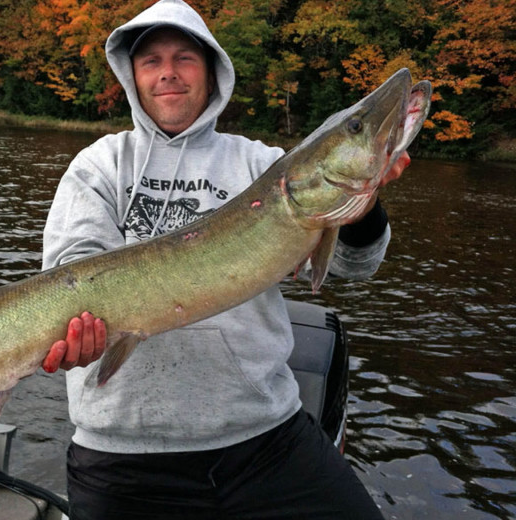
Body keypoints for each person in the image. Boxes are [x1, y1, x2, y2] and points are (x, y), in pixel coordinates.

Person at [40, 0, 408, 518]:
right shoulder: (98, 166)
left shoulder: (264, 165)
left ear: (212, 72)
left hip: (264, 438)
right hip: (122, 451)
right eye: (152, 61)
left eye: (185, 58)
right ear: (132, 76)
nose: (168, 73)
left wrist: (363, 210)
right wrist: (78, 331)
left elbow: (353, 267)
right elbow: (70, 270)